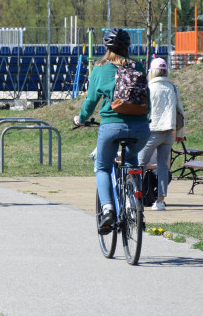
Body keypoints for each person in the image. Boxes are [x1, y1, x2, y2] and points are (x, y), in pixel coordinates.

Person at [74, 28, 150, 232]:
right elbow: (147, 100)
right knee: (132, 160)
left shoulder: (100, 68)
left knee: (103, 167)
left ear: (106, 47)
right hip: (141, 128)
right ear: (128, 47)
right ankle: (133, 207)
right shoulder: (139, 66)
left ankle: (108, 210)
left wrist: (80, 119)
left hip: (112, 127)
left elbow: (90, 101)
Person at [137, 57, 185, 211]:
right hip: (168, 134)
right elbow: (180, 113)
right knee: (163, 166)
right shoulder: (173, 88)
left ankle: (135, 196)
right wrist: (179, 133)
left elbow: (142, 111)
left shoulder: (148, 88)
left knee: (138, 164)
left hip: (151, 132)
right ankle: (160, 201)